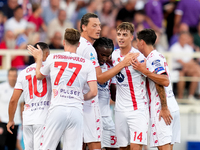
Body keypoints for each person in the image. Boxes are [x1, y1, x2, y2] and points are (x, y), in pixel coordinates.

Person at [27, 28, 98, 150]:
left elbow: (39, 76)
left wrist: (39, 58)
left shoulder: (53, 58)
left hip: (57, 108)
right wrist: (80, 97)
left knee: (46, 147)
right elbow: (93, 92)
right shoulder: (87, 63)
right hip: (76, 110)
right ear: (78, 44)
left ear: (64, 42)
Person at [77, 13, 138, 150]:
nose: (99, 28)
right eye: (94, 25)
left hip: (94, 110)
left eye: (99, 25)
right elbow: (99, 78)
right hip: (89, 108)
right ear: (84, 27)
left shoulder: (81, 46)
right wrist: (122, 64)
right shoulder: (88, 49)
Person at [132, 29, 180, 150]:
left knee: (163, 147)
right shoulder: (158, 56)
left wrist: (144, 71)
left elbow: (163, 80)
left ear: (142, 42)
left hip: (162, 108)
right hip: (172, 105)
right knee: (168, 146)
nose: (137, 45)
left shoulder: (153, 59)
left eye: (137, 41)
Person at [6, 42, 51, 150]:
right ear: (47, 54)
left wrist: (11, 120)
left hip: (28, 119)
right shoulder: (50, 69)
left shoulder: (23, 72)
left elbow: (13, 100)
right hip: (43, 118)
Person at [111, 22, 149, 150]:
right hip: (120, 110)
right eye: (119, 34)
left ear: (131, 37)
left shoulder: (139, 57)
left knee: (135, 147)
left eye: (125, 35)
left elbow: (150, 77)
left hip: (137, 110)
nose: (121, 37)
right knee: (123, 147)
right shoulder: (114, 55)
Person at [93, 37, 118, 150]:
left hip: (106, 116)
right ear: (94, 51)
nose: (104, 58)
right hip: (91, 115)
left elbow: (114, 96)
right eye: (102, 54)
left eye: (107, 55)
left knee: (114, 147)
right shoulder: (89, 67)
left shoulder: (110, 68)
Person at [0, 68, 23, 150]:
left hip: (15, 123)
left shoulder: (20, 89)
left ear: (17, 77)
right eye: (11, 76)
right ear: (8, 76)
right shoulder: (1, 87)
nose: (12, 78)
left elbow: (22, 106)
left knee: (12, 146)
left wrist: (23, 121)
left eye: (14, 76)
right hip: (3, 122)